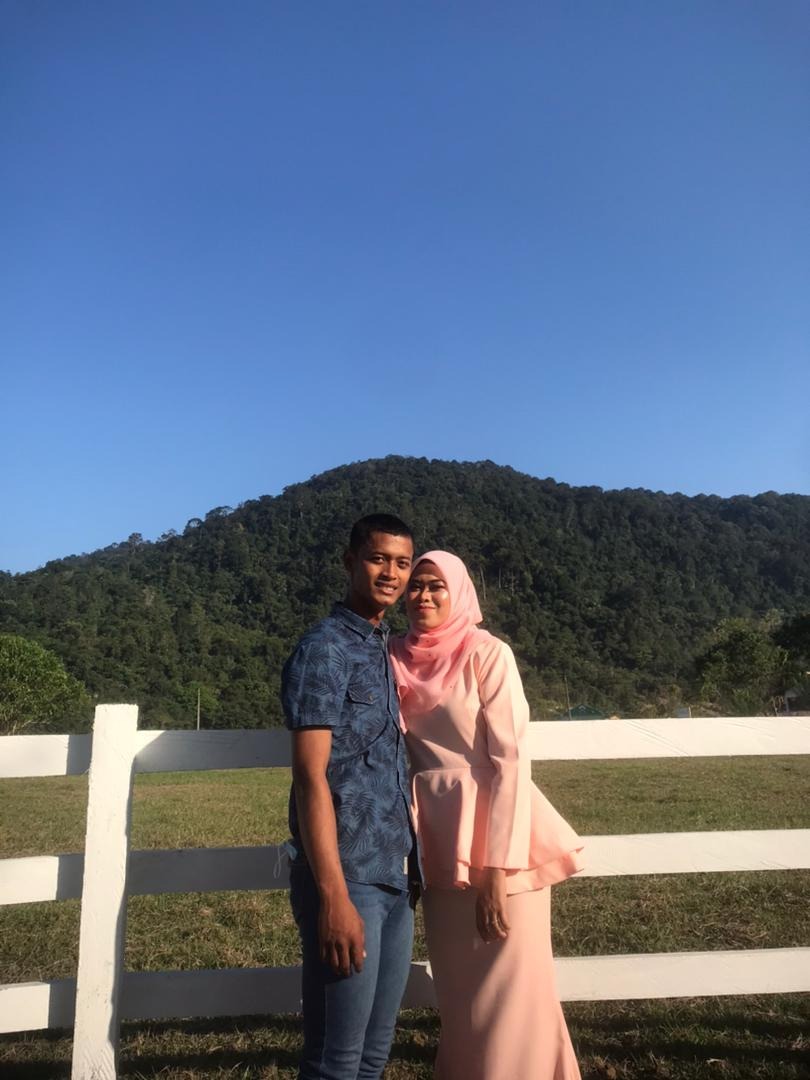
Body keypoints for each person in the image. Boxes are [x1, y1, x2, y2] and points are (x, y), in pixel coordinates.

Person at [390, 550, 584, 1080]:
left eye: (436, 586)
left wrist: (498, 869)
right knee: (460, 998)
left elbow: (511, 761)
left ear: (459, 592)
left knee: (514, 995)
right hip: (438, 844)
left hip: (505, 845)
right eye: (416, 585)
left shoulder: (488, 653)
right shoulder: (393, 657)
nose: (424, 595)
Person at [281, 514, 417, 1080]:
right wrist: (333, 897)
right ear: (350, 562)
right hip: (347, 878)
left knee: (373, 1056)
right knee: (334, 1059)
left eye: (402, 563)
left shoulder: (385, 649)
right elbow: (310, 778)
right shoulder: (324, 649)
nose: (391, 573)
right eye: (378, 558)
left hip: (395, 877)